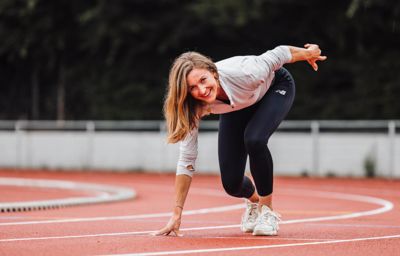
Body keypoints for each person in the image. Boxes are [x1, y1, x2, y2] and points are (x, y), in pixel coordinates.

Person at [154, 44, 327, 237]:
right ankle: (254, 201)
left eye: (203, 80)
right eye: (193, 88)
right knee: (232, 184)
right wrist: (177, 213)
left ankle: (266, 211)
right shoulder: (193, 107)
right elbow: (187, 159)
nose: (202, 90)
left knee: (254, 139)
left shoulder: (247, 71)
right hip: (237, 106)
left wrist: (308, 53)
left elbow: (279, 53)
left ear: (214, 72)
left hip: (274, 87)